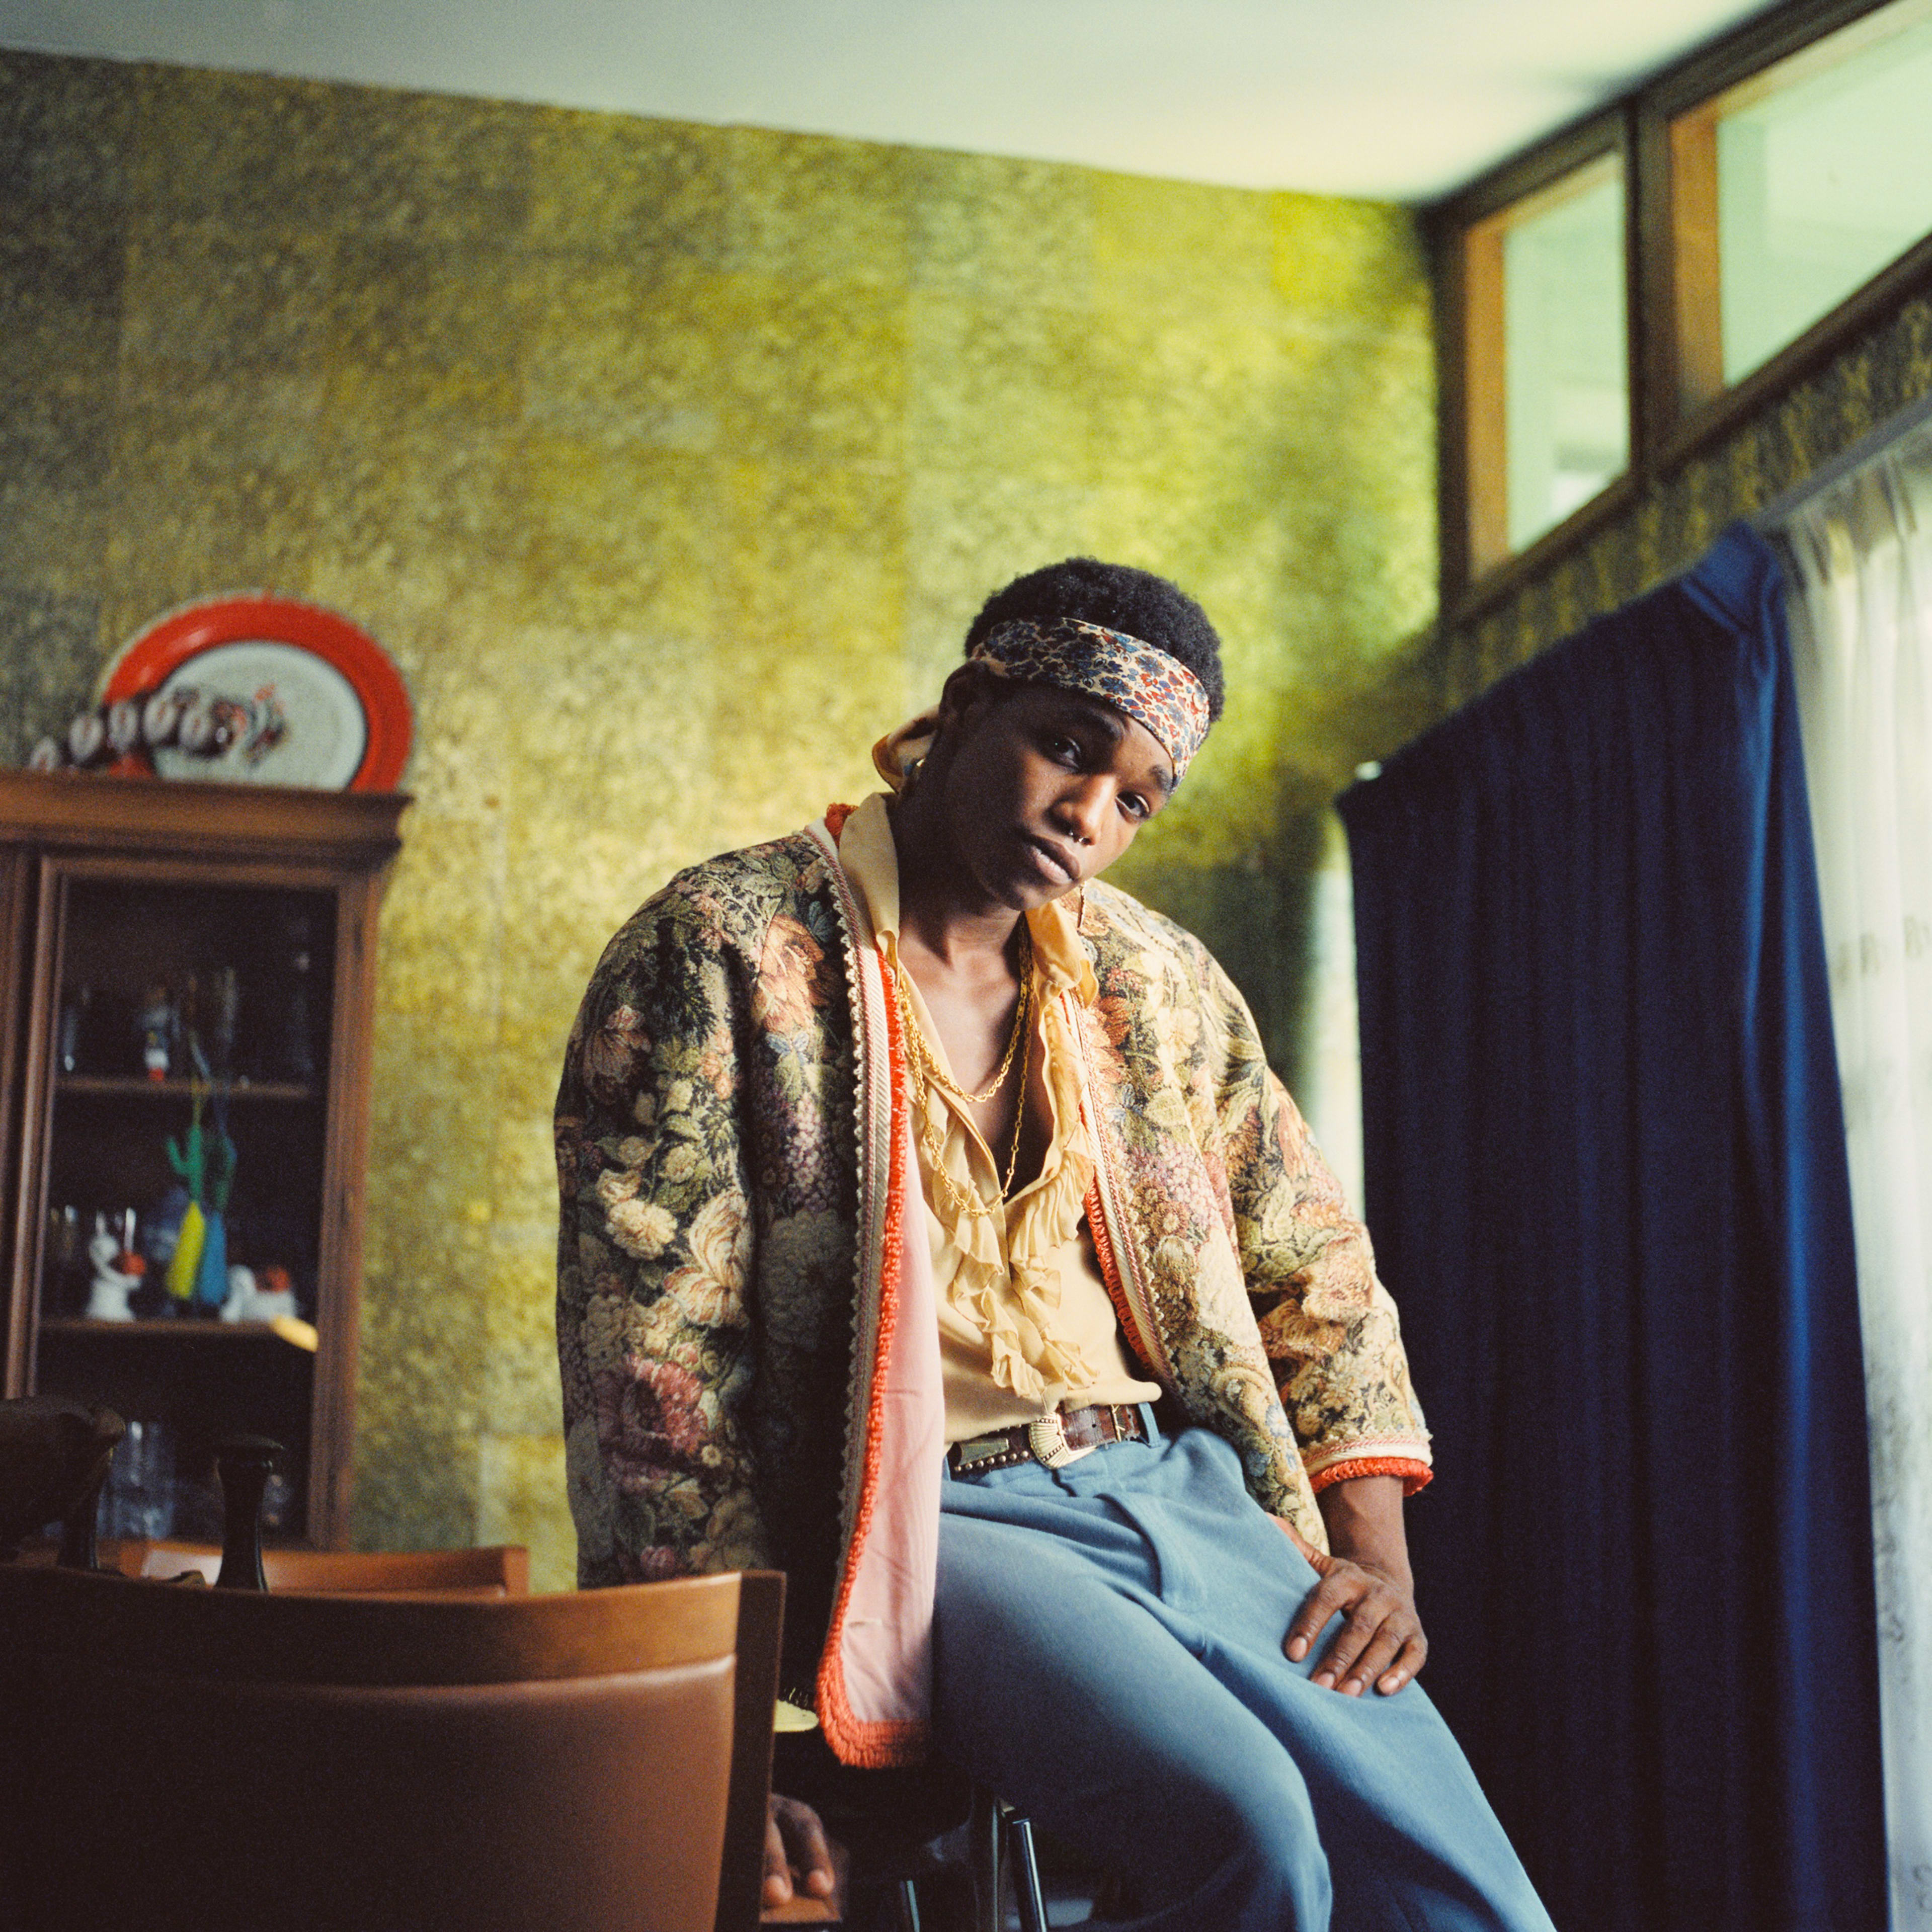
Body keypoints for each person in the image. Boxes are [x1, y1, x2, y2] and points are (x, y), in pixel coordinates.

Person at [554, 559, 1555, 1928]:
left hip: (1186, 1486)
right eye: (1067, 748)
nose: (1089, 813)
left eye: (1136, 796)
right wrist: (712, 1726)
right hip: (935, 1520)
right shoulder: (726, 952)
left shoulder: (1157, 984)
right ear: (969, 707)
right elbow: (651, 1375)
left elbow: (1312, 1259)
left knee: (1468, 1901)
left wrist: (1373, 1554)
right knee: (1253, 1838)